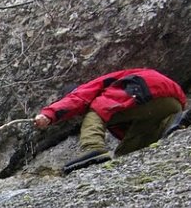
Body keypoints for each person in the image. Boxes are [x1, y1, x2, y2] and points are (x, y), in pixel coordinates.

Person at [33, 68, 188, 173]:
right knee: (126, 152)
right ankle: (172, 121)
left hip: (140, 89)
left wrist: (48, 115)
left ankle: (92, 148)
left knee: (96, 109)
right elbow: (131, 134)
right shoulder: (120, 114)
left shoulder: (86, 89)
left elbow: (77, 98)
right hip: (171, 102)